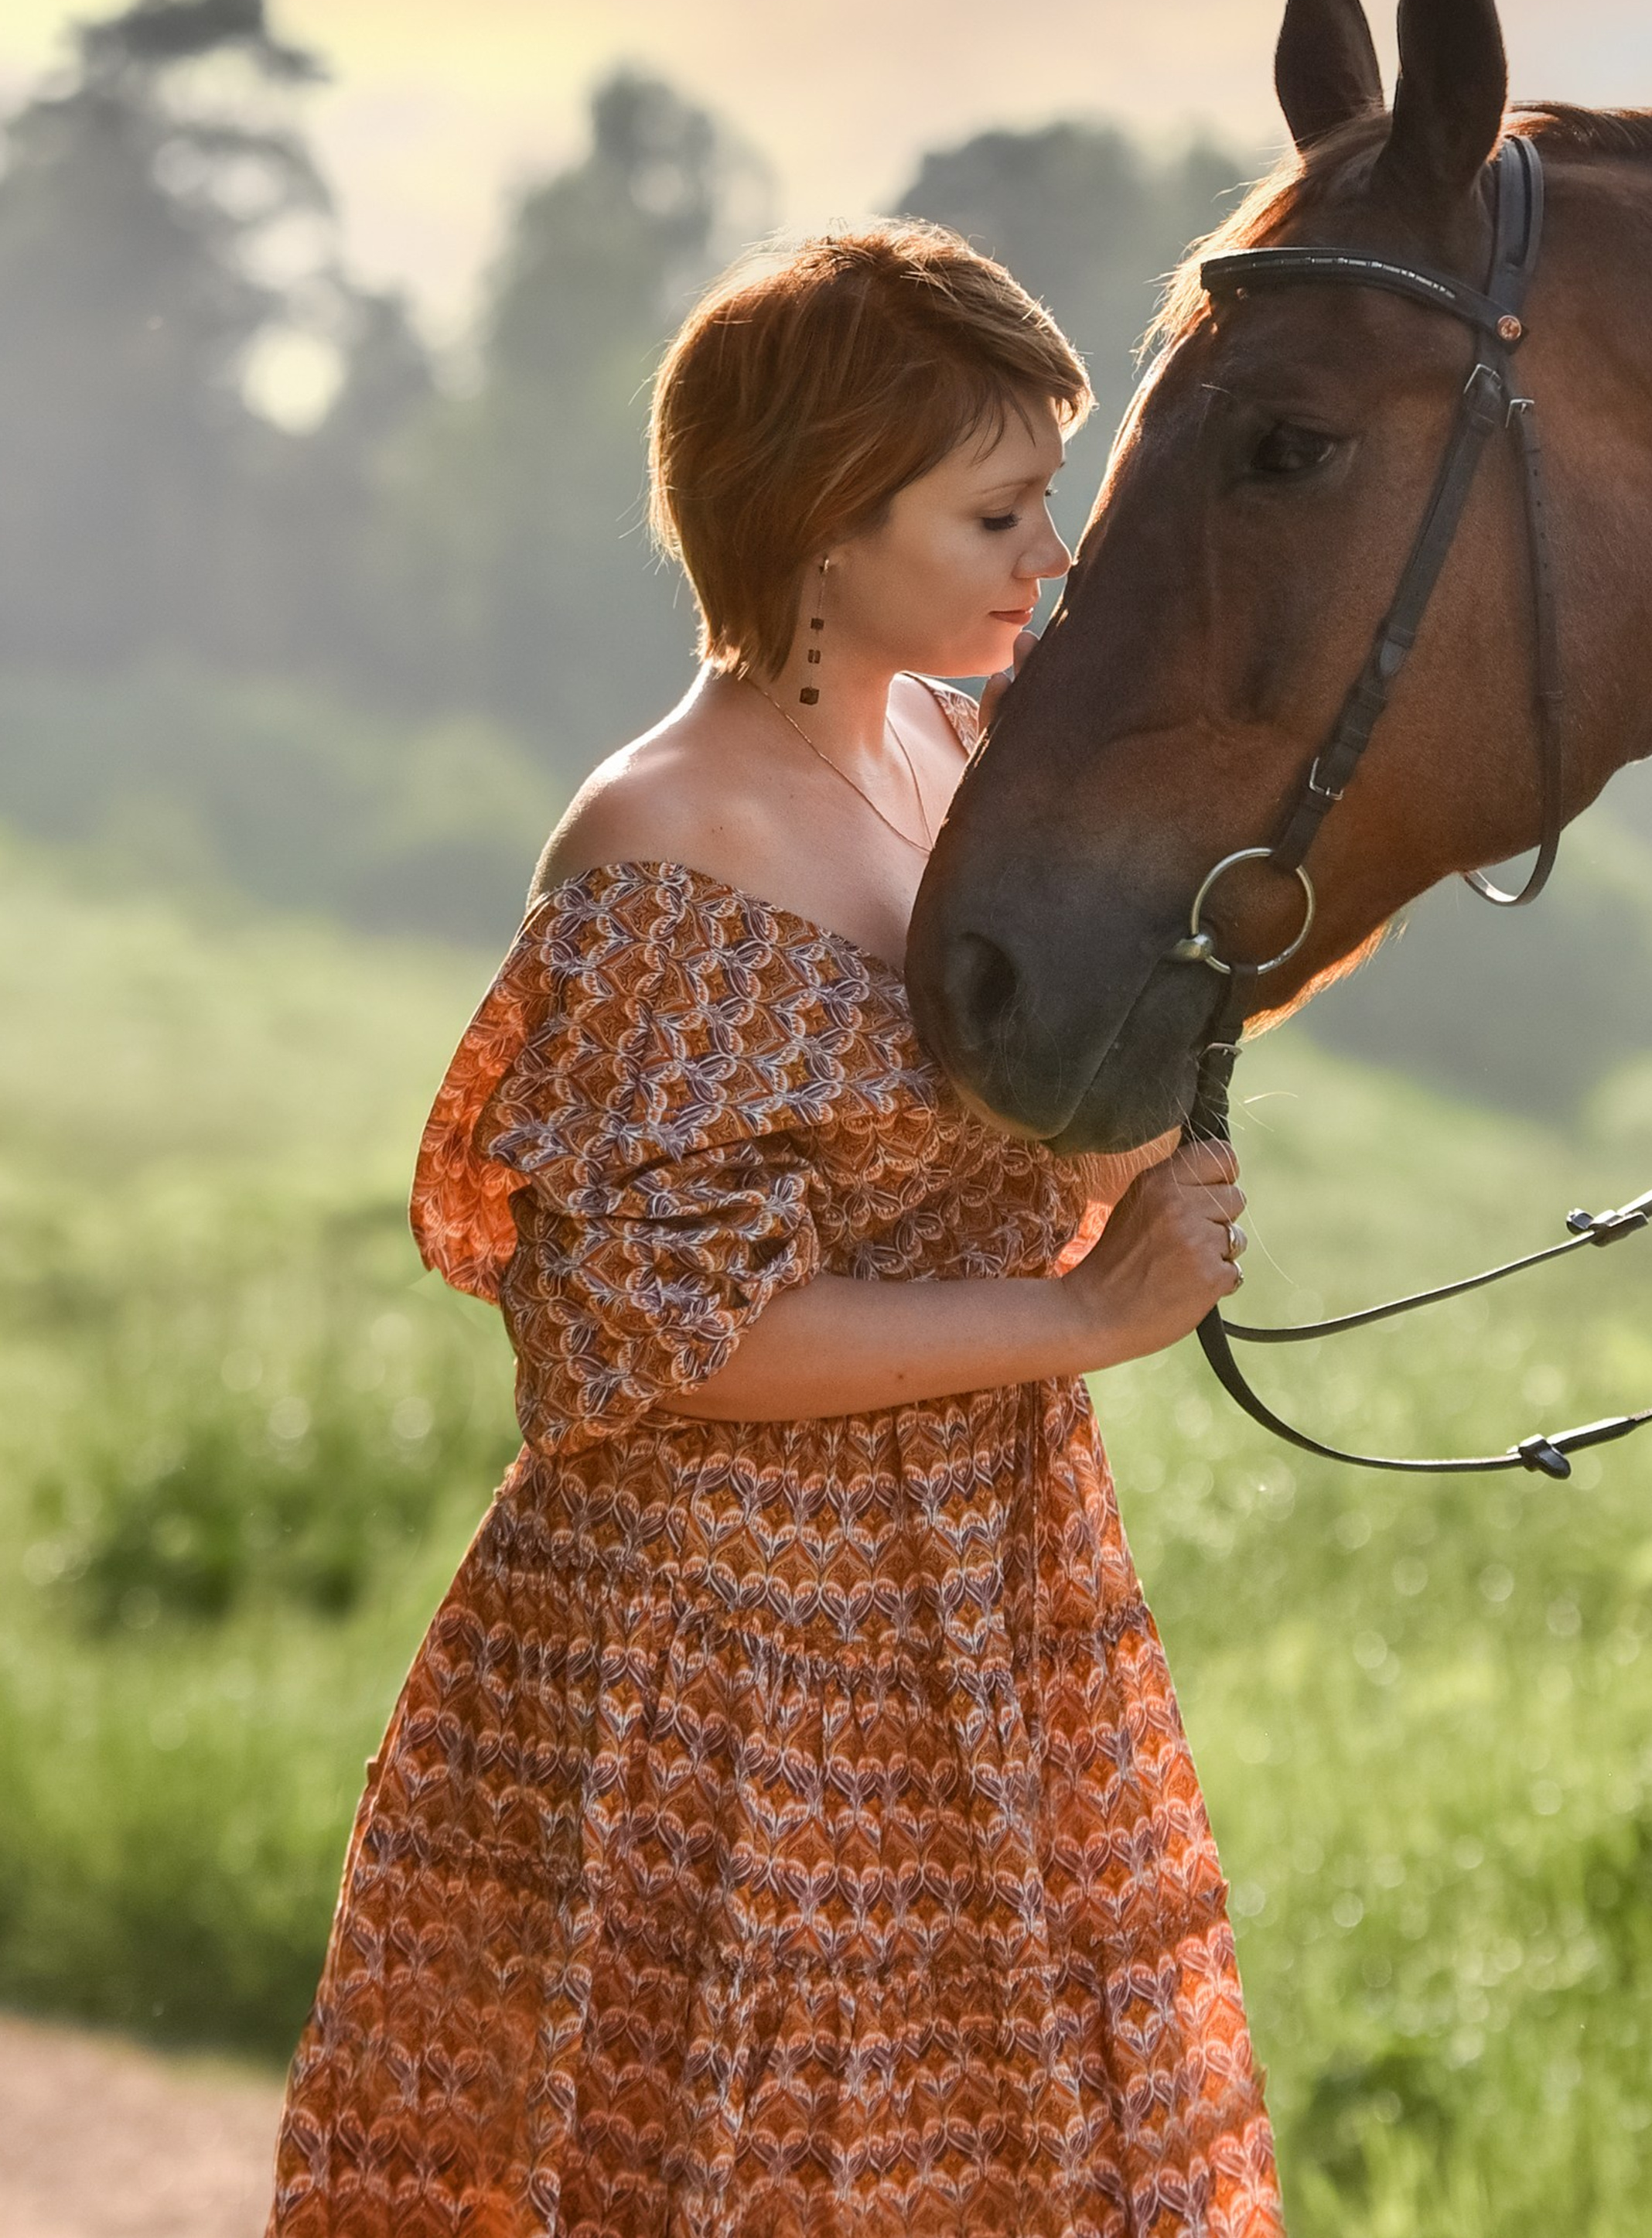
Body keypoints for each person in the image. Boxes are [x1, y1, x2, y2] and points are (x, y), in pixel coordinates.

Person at [267, 220, 1283, 2236]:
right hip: (727, 1649)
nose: (1048, 559)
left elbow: (1007, 1126)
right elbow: (658, 1343)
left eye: (1045, 502)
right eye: (996, 511)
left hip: (974, 1592)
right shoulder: (667, 840)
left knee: (1009, 2158)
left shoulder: (960, 750)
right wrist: (1092, 1316)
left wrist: (1124, 1134)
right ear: (827, 517)